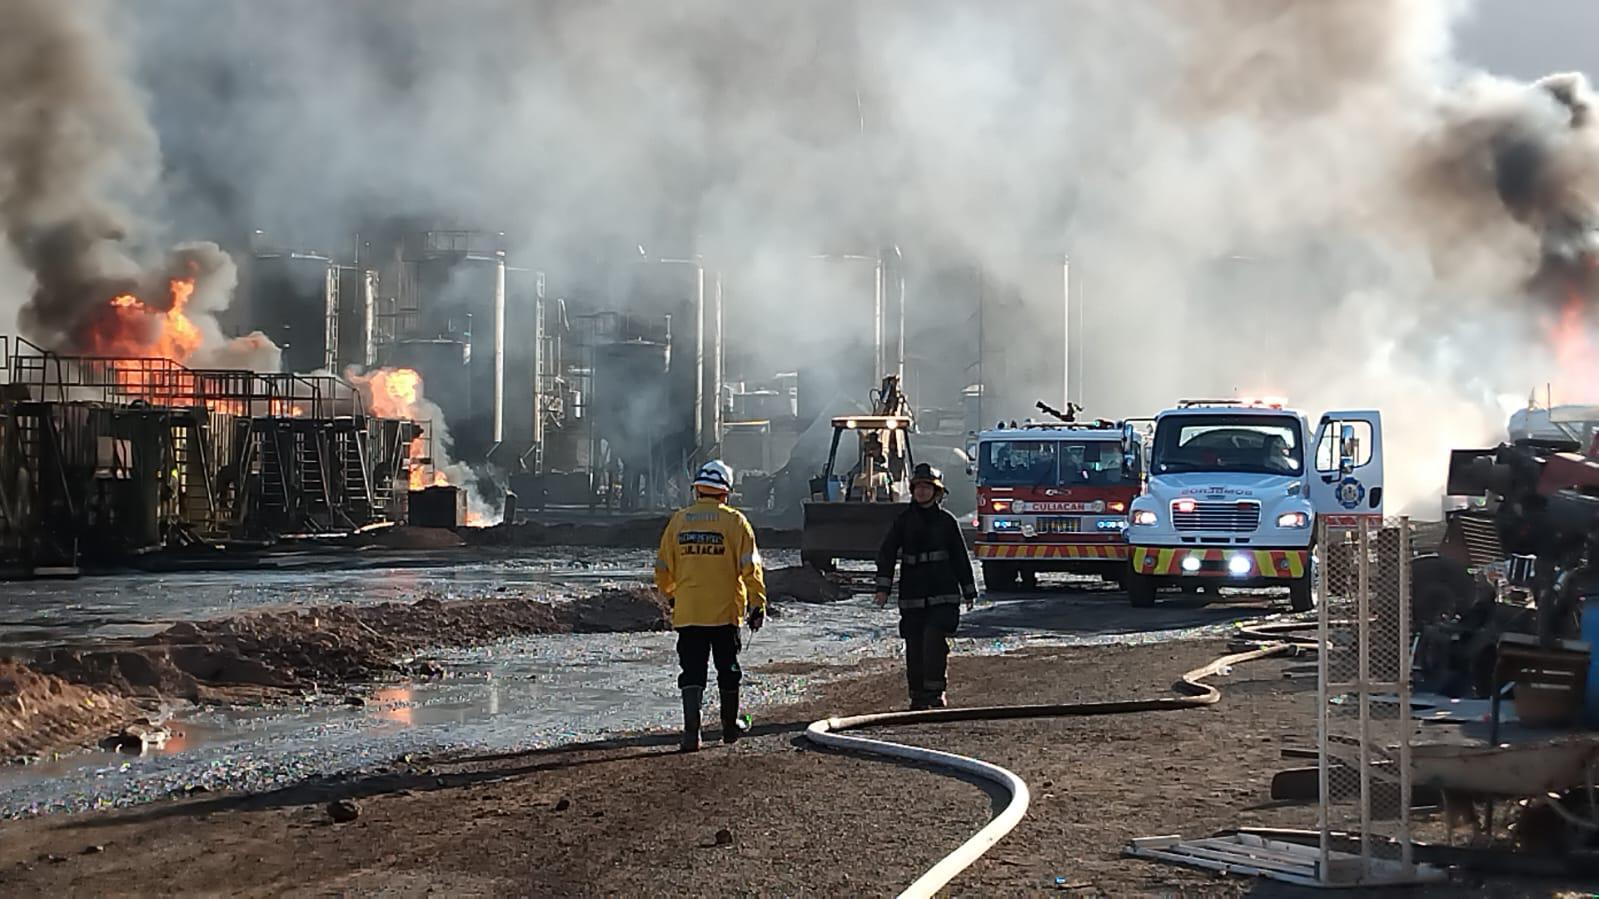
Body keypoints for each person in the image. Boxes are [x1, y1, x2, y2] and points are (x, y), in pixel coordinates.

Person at [655, 460, 768, 752]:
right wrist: (757, 605)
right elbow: (751, 569)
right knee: (728, 669)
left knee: (691, 672)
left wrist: (673, 597)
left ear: (697, 491)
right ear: (725, 493)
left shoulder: (678, 521)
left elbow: (663, 569)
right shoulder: (735, 522)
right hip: (725, 613)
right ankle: (730, 729)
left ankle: (691, 735)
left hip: (689, 612)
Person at [873, 463, 978, 710]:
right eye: (918, 487)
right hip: (913, 594)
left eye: (926, 487)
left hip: (943, 594)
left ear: (936, 491)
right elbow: (887, 554)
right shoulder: (903, 521)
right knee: (915, 644)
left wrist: (969, 590)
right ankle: (918, 695)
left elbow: (960, 557)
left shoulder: (947, 522)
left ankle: (935, 693)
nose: (921, 492)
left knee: (934, 640)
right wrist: (883, 588)